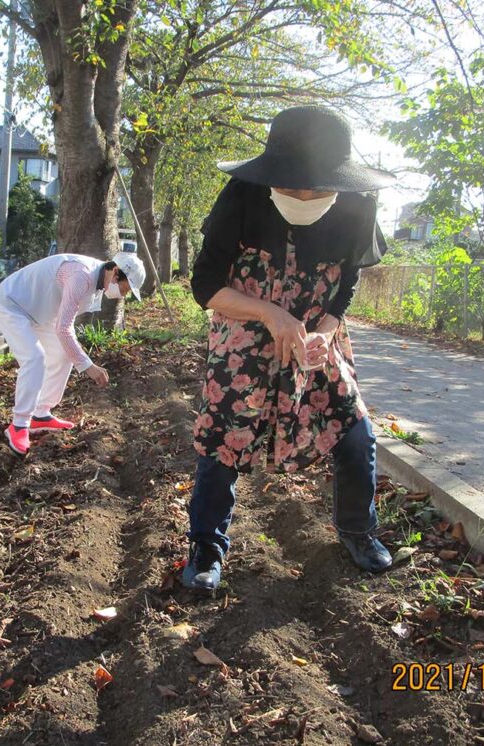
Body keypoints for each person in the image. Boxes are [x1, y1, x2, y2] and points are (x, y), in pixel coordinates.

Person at [182, 106, 396, 592]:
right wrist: (270, 314)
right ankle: (206, 548)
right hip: (244, 333)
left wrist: (323, 329)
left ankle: (359, 532)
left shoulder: (358, 206)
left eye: (317, 186)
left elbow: (349, 281)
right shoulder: (243, 196)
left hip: (315, 340)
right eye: (293, 185)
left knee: (356, 429)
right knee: (224, 437)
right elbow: (206, 286)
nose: (304, 195)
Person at [0, 250, 146, 456]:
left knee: (64, 353)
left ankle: (40, 413)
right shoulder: (81, 276)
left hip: (41, 313)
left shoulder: (98, 281)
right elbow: (64, 329)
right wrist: (88, 366)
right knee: (34, 358)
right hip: (13, 304)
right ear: (116, 273)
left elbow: (64, 325)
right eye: (126, 289)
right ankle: (19, 425)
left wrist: (80, 359)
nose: (124, 295)